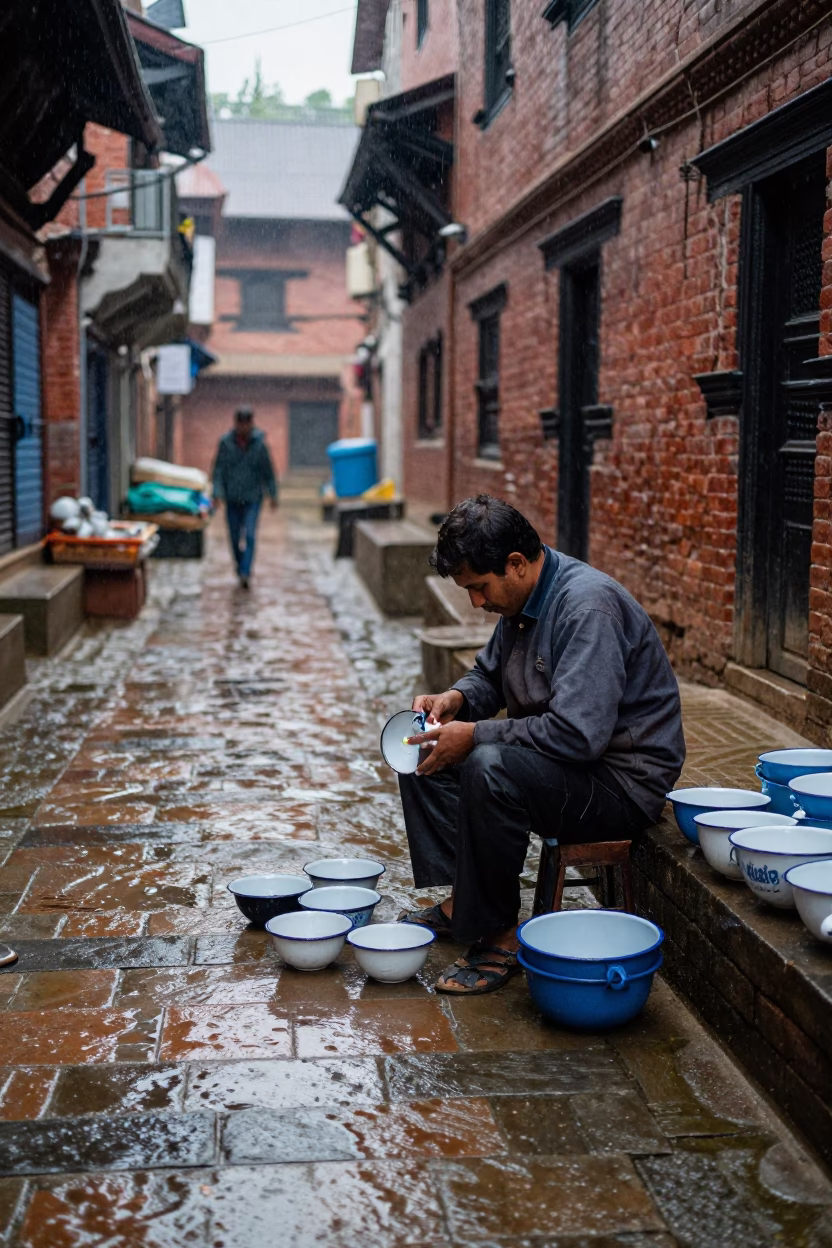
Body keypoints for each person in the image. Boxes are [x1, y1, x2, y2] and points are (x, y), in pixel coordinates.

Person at [398, 495, 685, 996]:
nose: (478, 603)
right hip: (571, 761)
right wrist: (456, 700)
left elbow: (578, 735)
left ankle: (502, 935)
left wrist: (478, 734)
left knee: (488, 764)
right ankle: (466, 900)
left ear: (515, 564)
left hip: (620, 782)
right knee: (422, 746)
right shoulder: (523, 596)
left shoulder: (586, 607)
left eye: (480, 588)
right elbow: (489, 674)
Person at [211, 407, 278, 588]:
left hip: (252, 498)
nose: (244, 427)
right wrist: (217, 493)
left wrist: (273, 494)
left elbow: (268, 471)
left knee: (249, 534)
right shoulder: (226, 444)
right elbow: (218, 470)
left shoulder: (260, 445)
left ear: (251, 423)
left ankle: (245, 572)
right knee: (234, 536)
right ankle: (240, 565)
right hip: (232, 498)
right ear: (236, 423)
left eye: (247, 423)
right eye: (241, 423)